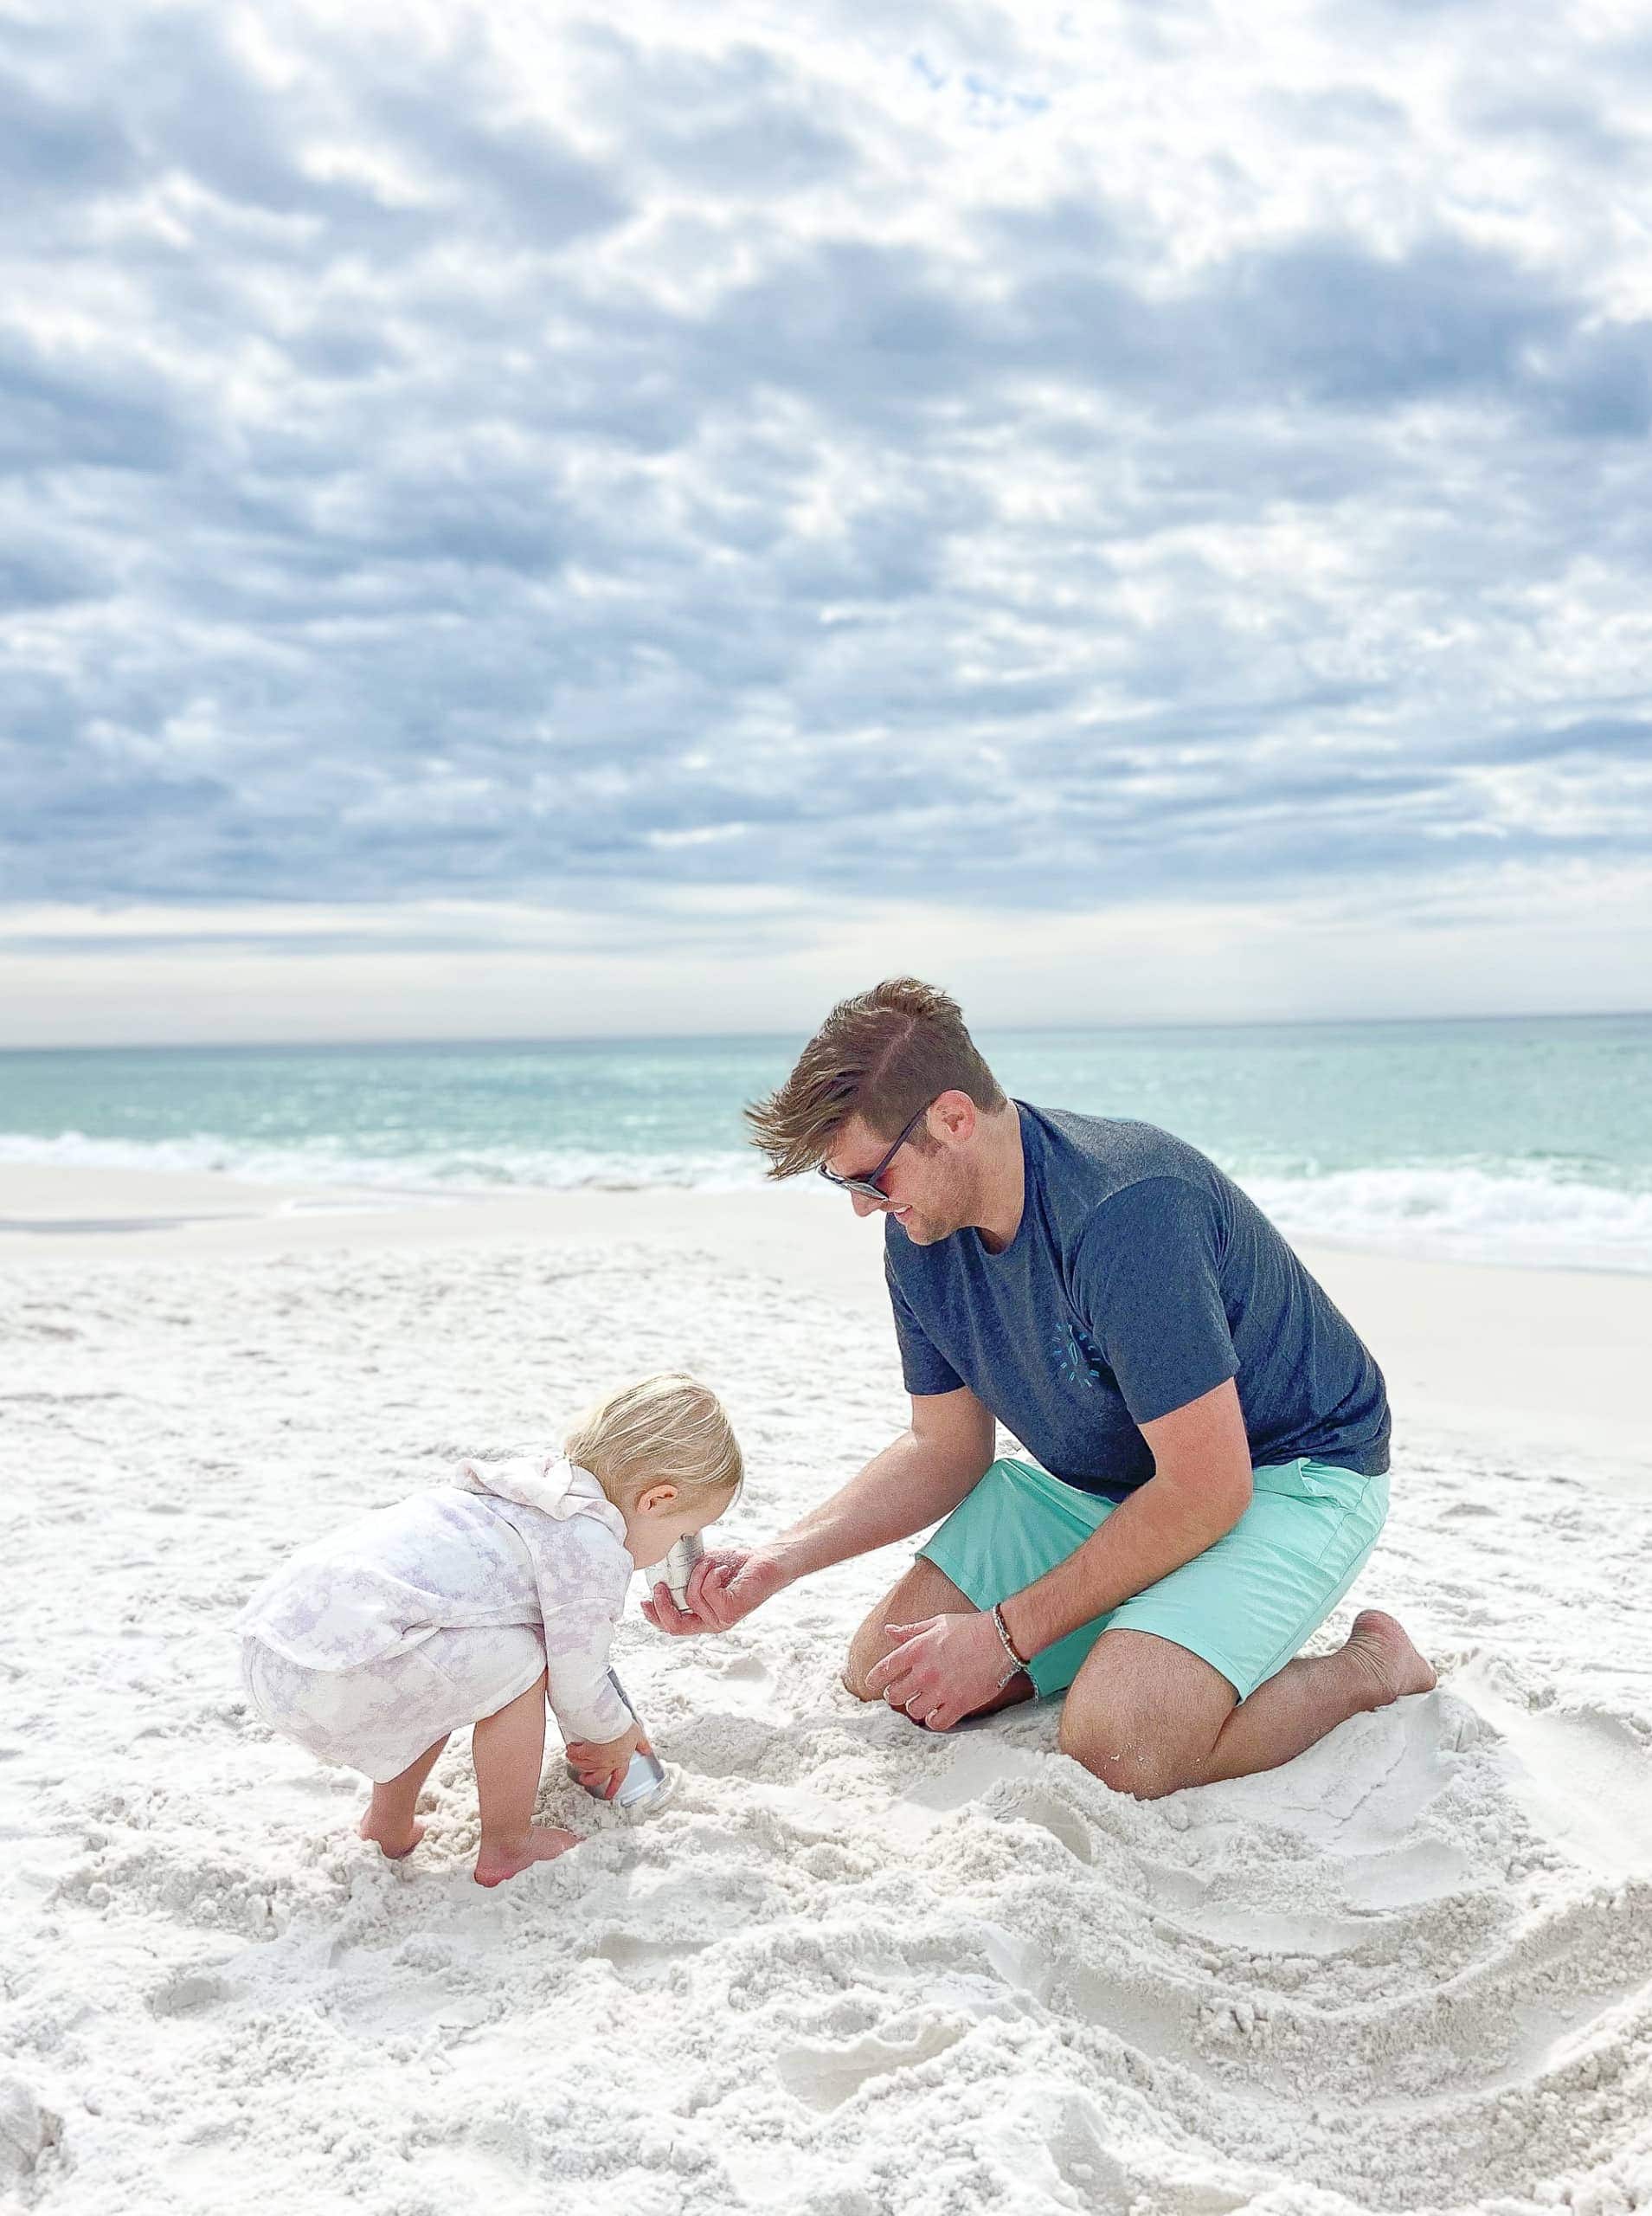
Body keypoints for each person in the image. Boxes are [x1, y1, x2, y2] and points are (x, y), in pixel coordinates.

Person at [643, 979, 1435, 1800]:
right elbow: (942, 1451)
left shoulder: (1128, 1213)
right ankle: (1126, 1636)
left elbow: (1207, 1489)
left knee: (1120, 1744)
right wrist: (777, 1564)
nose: (863, 1208)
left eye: (872, 1180)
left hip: (1286, 1475)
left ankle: (1372, 1669)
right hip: (1114, 1486)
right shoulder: (921, 1233)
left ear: (953, 1119)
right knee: (888, 1673)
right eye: (844, 1185)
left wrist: (1004, 1637)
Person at [239, 1374, 742, 1884]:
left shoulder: (530, 1482)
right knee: (523, 1663)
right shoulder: (592, 1548)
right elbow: (577, 1680)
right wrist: (617, 1734)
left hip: (278, 1647)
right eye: (682, 1533)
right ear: (655, 1500)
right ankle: (507, 1845)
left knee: (449, 1655)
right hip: (338, 1672)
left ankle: (386, 1826)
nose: (678, 1547)